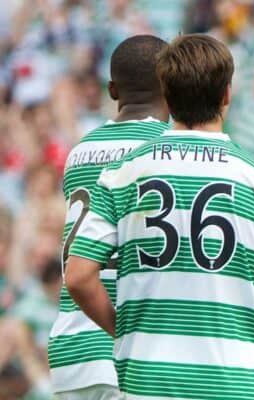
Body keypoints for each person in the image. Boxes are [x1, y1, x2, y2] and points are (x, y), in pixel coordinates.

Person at [65, 34, 254, 400]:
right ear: (226, 95)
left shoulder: (125, 172)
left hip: (148, 381)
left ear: (167, 94)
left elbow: (79, 276)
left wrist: (125, 335)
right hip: (234, 384)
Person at [48, 34, 170, 399]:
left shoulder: (80, 150)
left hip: (71, 349)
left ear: (112, 90)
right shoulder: (167, 148)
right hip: (132, 350)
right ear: (172, 84)